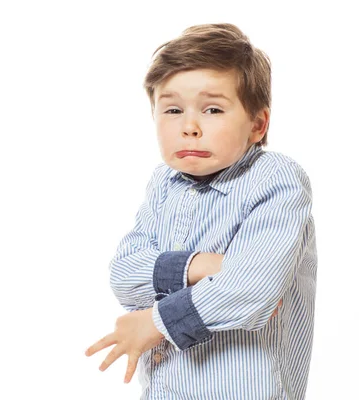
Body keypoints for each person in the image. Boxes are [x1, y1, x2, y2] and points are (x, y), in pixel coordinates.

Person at [85, 23, 317, 400]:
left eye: (212, 109)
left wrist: (155, 322)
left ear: (258, 124)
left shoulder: (275, 178)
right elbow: (124, 274)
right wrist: (202, 266)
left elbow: (250, 290)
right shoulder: (164, 183)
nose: (189, 127)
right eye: (173, 109)